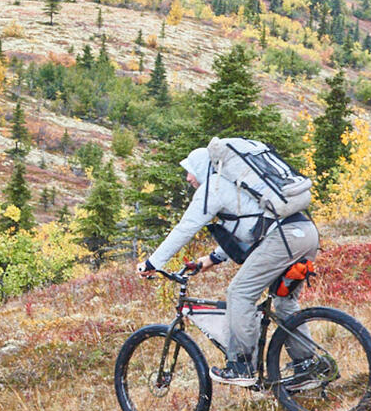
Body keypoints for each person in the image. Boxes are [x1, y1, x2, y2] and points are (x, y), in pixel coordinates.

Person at [136, 145, 320, 386]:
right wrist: (210, 260)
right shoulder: (233, 187)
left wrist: (152, 262)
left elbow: (185, 228)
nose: (188, 178)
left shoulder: (213, 188)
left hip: (284, 239)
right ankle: (306, 367)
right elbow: (250, 230)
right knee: (284, 300)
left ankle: (241, 365)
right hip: (305, 233)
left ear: (202, 168)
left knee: (239, 293)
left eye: (190, 171)